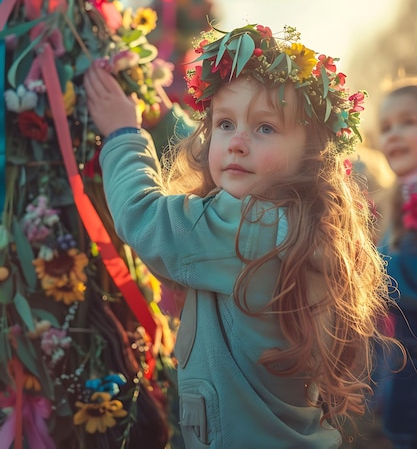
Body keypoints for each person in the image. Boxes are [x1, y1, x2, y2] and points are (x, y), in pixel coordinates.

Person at [84, 22, 401, 449]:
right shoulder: (292, 219)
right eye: (224, 123)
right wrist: (162, 124)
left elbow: (145, 217)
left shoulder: (254, 228)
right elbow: (224, 156)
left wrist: (123, 135)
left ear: (309, 155)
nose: (237, 143)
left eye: (265, 128)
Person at [377, 81, 417, 449]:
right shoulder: (397, 197)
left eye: (407, 122)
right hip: (402, 353)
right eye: (386, 128)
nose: (394, 134)